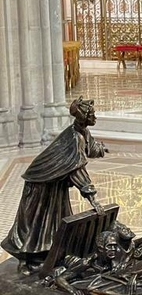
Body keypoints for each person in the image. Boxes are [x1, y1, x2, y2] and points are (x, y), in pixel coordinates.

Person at [2, 97, 106, 274]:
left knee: (55, 220)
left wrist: (101, 148)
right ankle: (28, 260)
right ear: (84, 117)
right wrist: (92, 198)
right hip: (40, 182)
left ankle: (49, 255)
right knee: (37, 223)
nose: (95, 117)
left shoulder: (82, 132)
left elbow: (91, 147)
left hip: (54, 182)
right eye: (93, 114)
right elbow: (77, 170)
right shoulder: (74, 137)